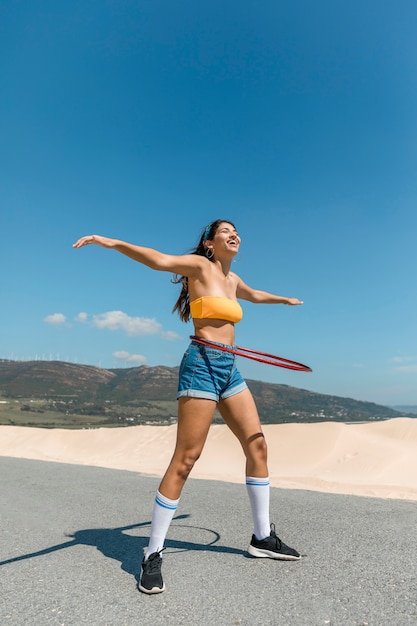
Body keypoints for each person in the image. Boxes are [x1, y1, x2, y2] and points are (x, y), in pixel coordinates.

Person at [73, 219, 304, 595]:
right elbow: (157, 260)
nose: (235, 234)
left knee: (257, 444)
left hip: (230, 368)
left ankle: (262, 537)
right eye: (225, 231)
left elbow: (256, 295)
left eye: (237, 231)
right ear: (209, 243)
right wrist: (110, 241)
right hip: (202, 364)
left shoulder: (233, 280)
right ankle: (151, 553)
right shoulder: (199, 267)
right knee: (186, 458)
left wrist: (285, 300)